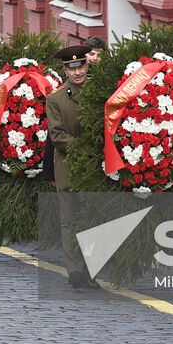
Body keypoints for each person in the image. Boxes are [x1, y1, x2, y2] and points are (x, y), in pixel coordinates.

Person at [46, 45, 95, 288]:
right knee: (70, 219)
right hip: (69, 166)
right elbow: (56, 135)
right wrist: (85, 149)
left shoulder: (100, 93)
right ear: (65, 71)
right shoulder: (55, 99)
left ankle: (90, 270)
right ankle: (75, 270)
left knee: (93, 220)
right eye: (71, 68)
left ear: (87, 66)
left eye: (81, 66)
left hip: (96, 170)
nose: (77, 73)